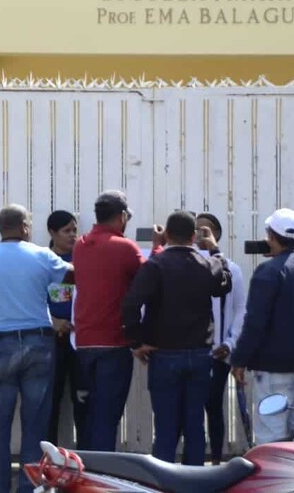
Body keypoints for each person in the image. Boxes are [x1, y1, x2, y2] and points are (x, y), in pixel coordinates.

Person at [0, 204, 74, 493]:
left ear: (0, 228)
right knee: (35, 425)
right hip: (39, 343)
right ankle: (29, 487)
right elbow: (73, 273)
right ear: (25, 226)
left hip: (1, 346)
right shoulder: (43, 256)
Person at [122, 210, 232, 465]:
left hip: (164, 354)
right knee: (194, 424)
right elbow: (224, 284)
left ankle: (164, 481)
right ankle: (193, 480)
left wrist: (136, 342)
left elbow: (130, 304)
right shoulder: (207, 264)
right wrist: (216, 251)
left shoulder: (155, 265)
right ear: (194, 236)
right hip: (200, 354)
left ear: (167, 235)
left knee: (166, 426)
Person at [73, 190, 162, 451]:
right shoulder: (124, 247)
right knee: (107, 417)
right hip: (113, 342)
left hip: (85, 343)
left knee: (89, 415)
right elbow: (152, 276)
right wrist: (158, 246)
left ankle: (86, 471)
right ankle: (102, 478)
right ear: (122, 216)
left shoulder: (80, 244)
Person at [230, 209, 294, 443]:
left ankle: (276, 479)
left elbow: (254, 323)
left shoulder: (267, 272)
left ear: (271, 235)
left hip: (274, 366)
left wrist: (239, 360)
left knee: (271, 433)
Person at [195, 213, 246, 464]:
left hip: (217, 353)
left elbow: (240, 310)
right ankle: (190, 462)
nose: (200, 237)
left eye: (206, 232)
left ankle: (216, 460)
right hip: (190, 351)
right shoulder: (187, 264)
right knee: (190, 410)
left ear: (217, 235)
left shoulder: (231, 269)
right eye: (196, 231)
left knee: (213, 406)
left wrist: (230, 343)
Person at [45, 210, 87, 446]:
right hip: (51, 342)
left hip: (80, 341)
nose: (72, 235)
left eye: (74, 230)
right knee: (50, 401)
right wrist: (52, 321)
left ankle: (85, 460)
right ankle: (49, 459)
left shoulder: (82, 260)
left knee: (83, 400)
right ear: (52, 232)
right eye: (66, 231)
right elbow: (33, 297)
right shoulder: (44, 261)